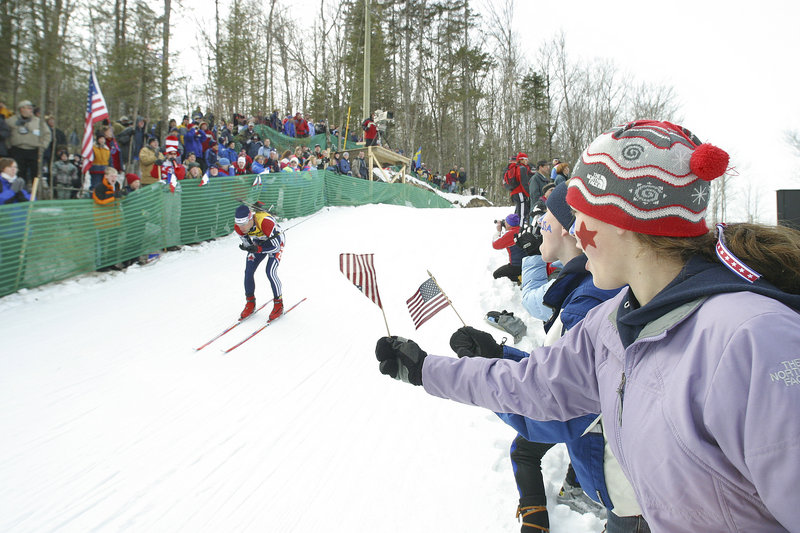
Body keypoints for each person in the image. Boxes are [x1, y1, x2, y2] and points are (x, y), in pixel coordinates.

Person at [375, 120, 800, 532]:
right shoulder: (616, 320)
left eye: (581, 215)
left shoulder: (755, 338)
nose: (576, 232)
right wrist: (424, 369)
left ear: (626, 220)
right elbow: (533, 386)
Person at [501, 182, 640, 532]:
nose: (539, 226)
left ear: (566, 225)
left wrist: (493, 364)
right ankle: (573, 486)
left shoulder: (587, 296)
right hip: (618, 475)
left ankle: (540, 518)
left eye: (544, 217)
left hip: (623, 483)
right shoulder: (585, 284)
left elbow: (571, 397)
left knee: (524, 448)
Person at [233, 204, 285, 321]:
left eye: (244, 224)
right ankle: (250, 303)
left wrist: (258, 249)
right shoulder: (239, 227)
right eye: (239, 224)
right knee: (248, 271)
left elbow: (276, 247)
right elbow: (248, 243)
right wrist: (248, 247)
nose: (242, 228)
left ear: (250, 219)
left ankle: (278, 304)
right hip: (259, 242)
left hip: (275, 242)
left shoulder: (265, 222)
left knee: (270, 272)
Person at [7, 100, 51, 187]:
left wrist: (43, 147)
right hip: (17, 150)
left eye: (31, 108)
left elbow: (47, 134)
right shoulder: (11, 121)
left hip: (34, 150)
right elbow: (6, 135)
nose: (31, 110)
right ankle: (19, 193)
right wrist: (9, 147)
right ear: (21, 109)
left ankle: (34, 193)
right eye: (28, 108)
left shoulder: (38, 121)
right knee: (19, 173)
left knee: (35, 174)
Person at [491, 213, 523, 283]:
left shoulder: (511, 234)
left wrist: (498, 231)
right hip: (526, 263)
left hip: (517, 266)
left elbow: (495, 244)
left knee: (496, 274)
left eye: (505, 222)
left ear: (509, 224)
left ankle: (519, 278)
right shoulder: (521, 229)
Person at [504, 152, 531, 220]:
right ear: (521, 160)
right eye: (525, 159)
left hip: (514, 193)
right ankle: (519, 229)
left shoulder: (515, 168)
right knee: (521, 214)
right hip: (519, 192)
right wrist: (529, 194)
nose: (527, 160)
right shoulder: (522, 168)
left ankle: (514, 225)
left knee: (518, 211)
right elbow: (524, 184)